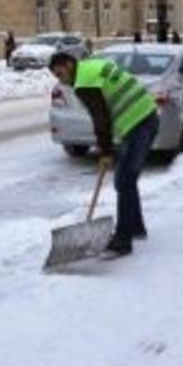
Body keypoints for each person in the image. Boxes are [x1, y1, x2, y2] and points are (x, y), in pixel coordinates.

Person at [48, 52, 159, 257]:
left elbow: (101, 119)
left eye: (60, 73)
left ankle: (123, 241)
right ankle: (135, 228)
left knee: (125, 181)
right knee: (125, 180)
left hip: (139, 122)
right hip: (143, 117)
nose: (60, 79)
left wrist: (105, 152)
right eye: (56, 76)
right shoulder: (92, 67)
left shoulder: (84, 82)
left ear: (69, 64)